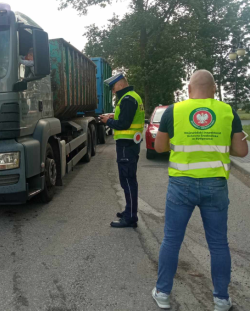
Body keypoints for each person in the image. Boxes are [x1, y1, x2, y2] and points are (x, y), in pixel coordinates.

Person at [151, 70, 248, 310]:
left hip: (181, 184)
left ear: (189, 89)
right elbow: (241, 151)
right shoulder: (227, 111)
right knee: (218, 244)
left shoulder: (174, 111)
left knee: (172, 240)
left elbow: (160, 146)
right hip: (215, 184)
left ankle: (162, 294)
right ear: (214, 89)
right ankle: (222, 299)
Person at [99, 73, 145, 228]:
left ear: (120, 84)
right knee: (128, 179)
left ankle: (131, 217)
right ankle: (129, 210)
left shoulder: (127, 99)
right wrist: (113, 116)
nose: (112, 91)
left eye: (113, 87)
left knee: (127, 180)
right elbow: (128, 118)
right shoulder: (132, 97)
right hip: (130, 144)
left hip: (126, 145)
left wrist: (108, 121)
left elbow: (124, 124)